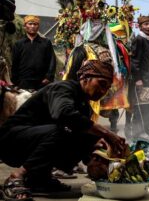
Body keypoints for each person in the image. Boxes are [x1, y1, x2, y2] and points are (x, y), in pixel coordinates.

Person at [0, 60, 125, 201]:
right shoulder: (62, 88)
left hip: (33, 141)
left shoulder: (85, 107)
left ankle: (38, 178)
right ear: (85, 78)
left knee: (87, 136)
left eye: (107, 88)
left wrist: (96, 159)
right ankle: (16, 176)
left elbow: (81, 135)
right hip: (10, 142)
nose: (103, 91)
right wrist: (106, 133)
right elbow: (64, 114)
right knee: (63, 130)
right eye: (101, 84)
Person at [126, 14, 149, 141]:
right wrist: (138, 79)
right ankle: (137, 134)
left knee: (147, 107)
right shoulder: (139, 39)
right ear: (140, 26)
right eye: (145, 24)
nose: (148, 27)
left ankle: (144, 133)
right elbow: (134, 61)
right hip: (141, 81)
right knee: (140, 107)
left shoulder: (148, 39)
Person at [11, 15, 56, 91]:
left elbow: (52, 61)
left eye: (35, 24)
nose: (32, 26)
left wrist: (49, 77)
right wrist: (16, 82)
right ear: (25, 26)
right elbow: (15, 64)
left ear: (38, 26)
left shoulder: (46, 43)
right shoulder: (19, 44)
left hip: (41, 83)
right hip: (23, 83)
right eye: (30, 24)